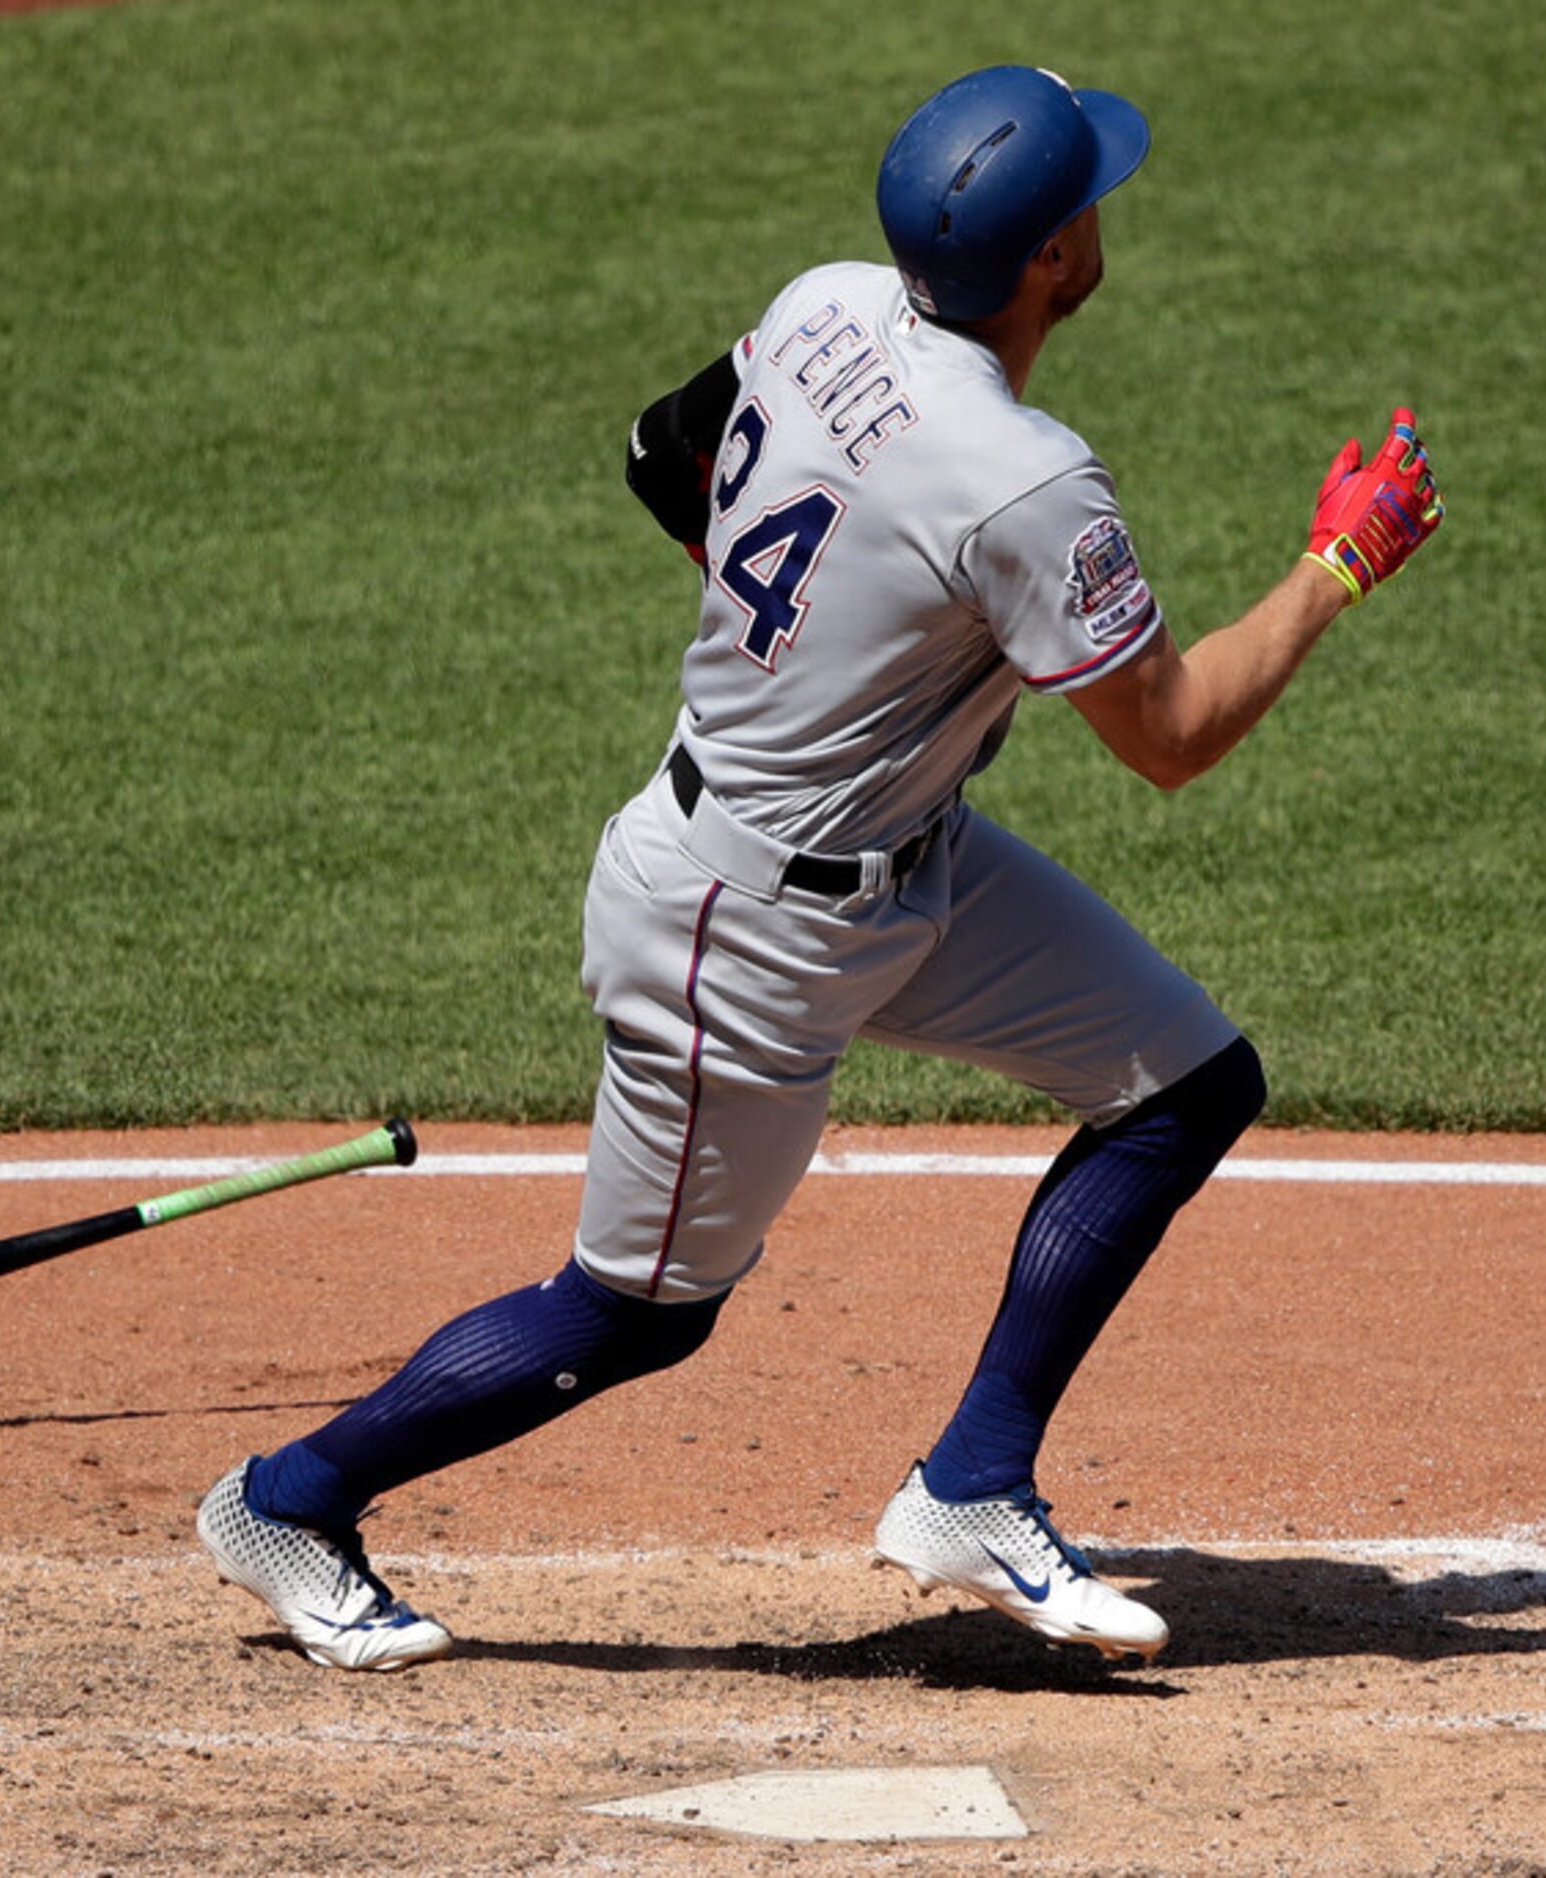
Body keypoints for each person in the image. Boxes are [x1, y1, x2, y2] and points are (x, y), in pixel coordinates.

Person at [195, 64, 1443, 1670]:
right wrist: (1339, 562)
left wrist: (831, 650)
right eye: (1093, 201)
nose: (1108, 212)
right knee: (642, 1310)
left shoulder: (829, 306)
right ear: (1053, 256)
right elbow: (1174, 735)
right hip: (740, 924)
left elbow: (664, 454)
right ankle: (289, 1499)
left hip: (903, 862)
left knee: (1186, 1080)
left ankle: (974, 1481)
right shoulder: (1025, 478)